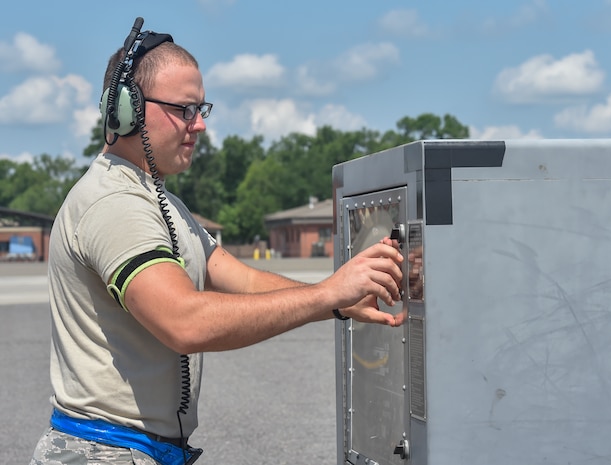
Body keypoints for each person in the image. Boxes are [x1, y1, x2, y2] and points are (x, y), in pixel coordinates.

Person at [29, 19, 403, 465]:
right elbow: (185, 322)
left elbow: (239, 278)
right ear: (126, 111)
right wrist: (327, 294)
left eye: (201, 109)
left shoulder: (159, 200)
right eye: (184, 109)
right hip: (103, 453)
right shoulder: (114, 204)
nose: (199, 125)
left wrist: (336, 301)